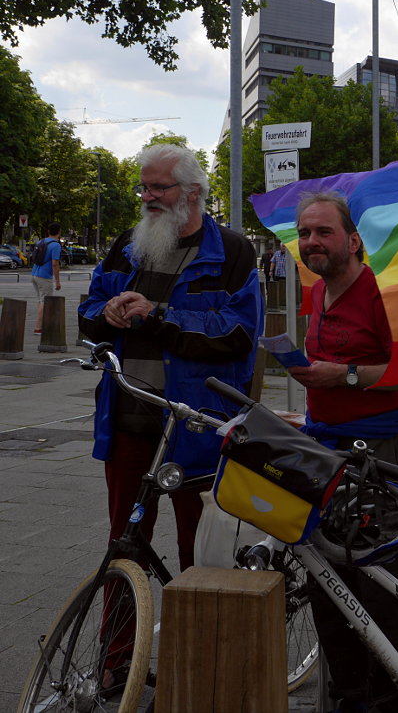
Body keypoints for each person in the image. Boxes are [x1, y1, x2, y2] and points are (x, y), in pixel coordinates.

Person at [78, 144, 263, 687]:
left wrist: (158, 315)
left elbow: (237, 335)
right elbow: (89, 311)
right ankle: (118, 669)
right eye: (144, 187)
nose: (147, 197)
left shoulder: (232, 251)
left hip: (196, 426)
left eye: (157, 188)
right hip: (129, 419)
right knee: (123, 546)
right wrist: (105, 313)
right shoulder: (127, 246)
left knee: (198, 551)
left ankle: (197, 669)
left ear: (193, 193)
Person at [288, 191, 398, 713]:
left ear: (353, 241)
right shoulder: (317, 291)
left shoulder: (380, 291)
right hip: (329, 445)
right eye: (305, 232)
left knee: (378, 575)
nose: (311, 241)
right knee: (328, 575)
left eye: (323, 232)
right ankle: (350, 695)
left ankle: (395, 697)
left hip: (384, 444)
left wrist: (347, 375)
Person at [31, 222, 62, 334]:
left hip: (34, 274)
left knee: (41, 300)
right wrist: (57, 281)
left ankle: (42, 325)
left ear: (48, 231)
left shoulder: (41, 241)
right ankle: (38, 328)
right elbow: (55, 263)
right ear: (59, 232)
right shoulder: (56, 245)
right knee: (45, 301)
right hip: (44, 277)